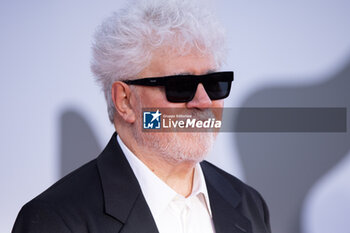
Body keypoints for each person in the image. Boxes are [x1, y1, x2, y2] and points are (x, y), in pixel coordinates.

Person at [12, 0, 271, 232]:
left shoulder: (248, 204)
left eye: (214, 83)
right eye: (180, 86)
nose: (203, 101)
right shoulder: (55, 220)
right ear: (125, 101)